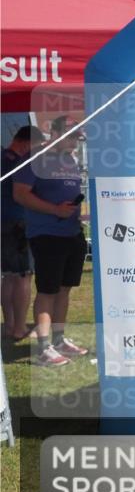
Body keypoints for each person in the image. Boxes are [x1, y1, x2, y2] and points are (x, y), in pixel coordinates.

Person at [12, 116, 89, 366]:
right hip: (47, 234)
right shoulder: (36, 158)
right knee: (47, 290)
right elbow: (20, 194)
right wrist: (54, 210)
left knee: (64, 289)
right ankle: (44, 348)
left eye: (78, 136)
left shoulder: (70, 160)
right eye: (72, 135)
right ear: (54, 133)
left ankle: (58, 340)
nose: (76, 141)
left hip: (72, 232)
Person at [2, 126, 40, 341]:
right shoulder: (19, 162)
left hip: (4, 222)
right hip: (16, 223)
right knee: (23, 276)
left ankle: (9, 325)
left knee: (8, 277)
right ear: (26, 143)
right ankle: (19, 328)